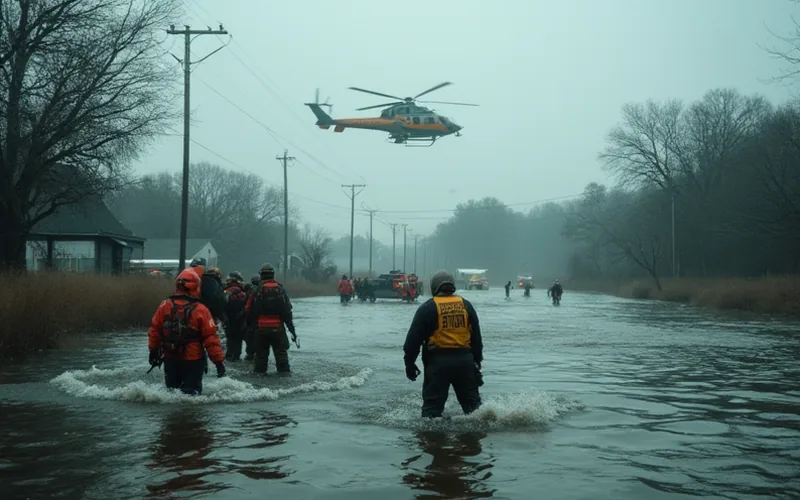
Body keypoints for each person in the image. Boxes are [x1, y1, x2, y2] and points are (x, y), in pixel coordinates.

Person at [403, 270, 483, 418]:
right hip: (465, 362)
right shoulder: (466, 305)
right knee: (475, 412)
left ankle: (431, 440)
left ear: (434, 287)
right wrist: (477, 363)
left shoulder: (428, 307)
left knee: (431, 415)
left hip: (437, 363)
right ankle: (473, 440)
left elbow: (412, 341)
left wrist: (409, 364)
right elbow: (476, 339)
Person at [147, 268, 226, 395]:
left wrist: (153, 351)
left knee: (171, 394)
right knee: (192, 395)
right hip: (193, 360)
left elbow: (154, 331)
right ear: (196, 285)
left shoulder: (165, 305)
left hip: (170, 357)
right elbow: (211, 338)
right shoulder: (201, 309)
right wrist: (218, 362)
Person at [244, 263, 297, 374]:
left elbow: (248, 310)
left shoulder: (256, 290)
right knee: (281, 355)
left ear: (262, 275)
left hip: (260, 329)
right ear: (273, 275)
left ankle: (260, 382)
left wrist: (250, 326)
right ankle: (284, 378)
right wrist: (292, 330)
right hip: (278, 328)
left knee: (260, 357)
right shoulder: (281, 289)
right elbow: (287, 311)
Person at [189, 258, 228, 323]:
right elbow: (220, 301)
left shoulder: (184, 279)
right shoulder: (209, 281)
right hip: (206, 316)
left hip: (196, 315)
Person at [223, 271, 248, 361]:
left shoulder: (225, 290)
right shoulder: (242, 292)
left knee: (230, 338)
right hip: (240, 318)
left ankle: (229, 356)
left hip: (227, 318)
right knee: (238, 339)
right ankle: (236, 356)